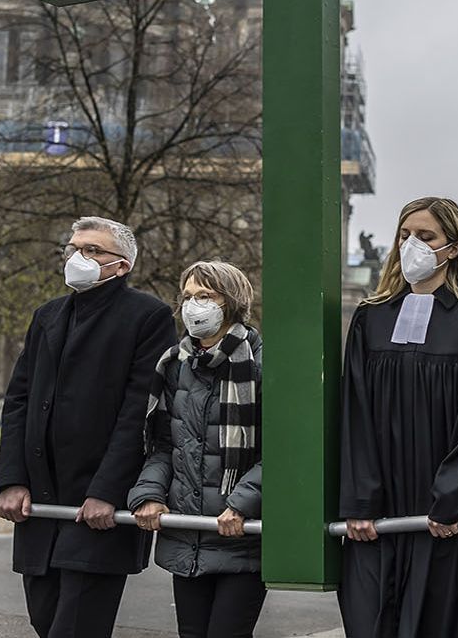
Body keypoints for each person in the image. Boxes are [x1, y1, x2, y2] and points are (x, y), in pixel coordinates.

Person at [338, 197, 458, 637]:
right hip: (379, 519)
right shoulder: (370, 319)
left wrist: (454, 497)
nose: (411, 245)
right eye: (405, 235)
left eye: (426, 236)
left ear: (453, 247)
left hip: (447, 520)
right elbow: (354, 414)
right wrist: (360, 502)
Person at [0, 216, 176, 638]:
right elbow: (18, 400)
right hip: (40, 502)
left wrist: (107, 491)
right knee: (45, 619)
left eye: (92, 250)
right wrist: (11, 479)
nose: (78, 257)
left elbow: (140, 412)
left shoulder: (148, 316)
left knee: (76, 627)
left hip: (97, 507)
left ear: (122, 265)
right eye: (73, 248)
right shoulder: (47, 316)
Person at [130, 261, 267, 638]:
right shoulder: (175, 365)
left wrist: (242, 503)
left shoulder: (261, 364)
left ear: (232, 302)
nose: (193, 305)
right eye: (188, 296)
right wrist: (150, 494)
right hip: (188, 534)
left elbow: (281, 453)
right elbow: (163, 445)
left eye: (205, 296)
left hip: (240, 538)